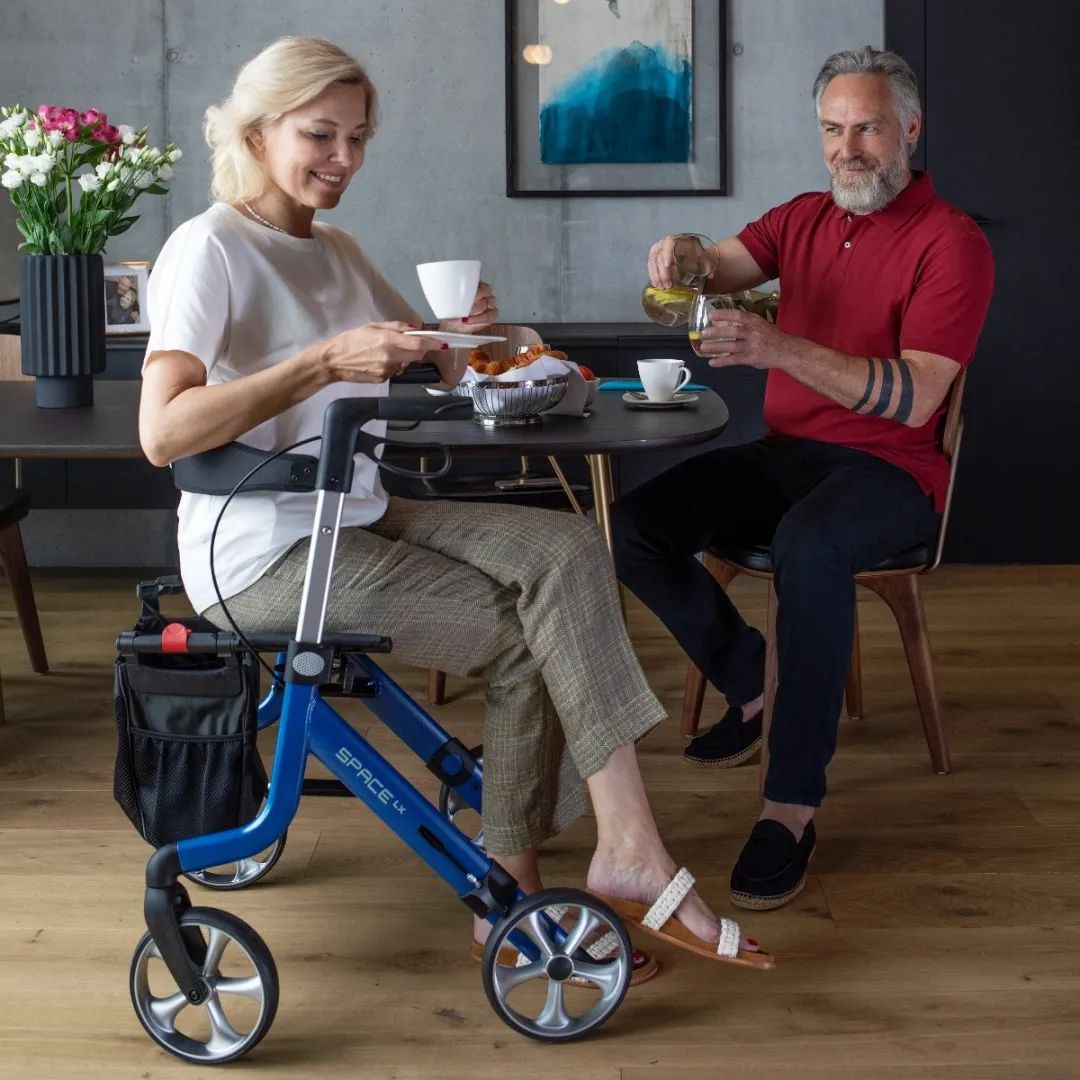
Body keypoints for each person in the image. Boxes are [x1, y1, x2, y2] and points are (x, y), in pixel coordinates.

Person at [138, 35, 771, 978]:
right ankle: (518, 889)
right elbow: (162, 432)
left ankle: (621, 846)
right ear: (258, 132)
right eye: (321, 135)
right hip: (260, 551)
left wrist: (472, 335)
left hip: (351, 510)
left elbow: (438, 361)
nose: (344, 158)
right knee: (523, 637)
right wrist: (322, 361)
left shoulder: (336, 250)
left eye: (358, 138)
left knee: (568, 547)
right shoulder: (209, 248)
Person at [614, 46, 994, 911]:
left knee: (809, 545)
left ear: (910, 130)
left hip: (894, 469)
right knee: (635, 526)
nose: (847, 149)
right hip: (790, 454)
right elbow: (719, 265)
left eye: (867, 129)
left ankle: (789, 808)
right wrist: (683, 253)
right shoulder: (802, 218)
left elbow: (915, 397)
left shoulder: (953, 242)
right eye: (832, 129)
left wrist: (779, 347)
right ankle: (753, 684)